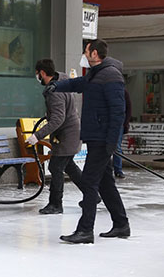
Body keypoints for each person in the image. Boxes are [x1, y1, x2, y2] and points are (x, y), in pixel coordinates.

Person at [45, 38, 130, 244]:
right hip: (95, 136)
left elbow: (118, 111)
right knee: (105, 182)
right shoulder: (95, 74)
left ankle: (85, 230)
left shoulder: (111, 75)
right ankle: (121, 224)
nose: (84, 55)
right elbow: (76, 83)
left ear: (94, 54)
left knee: (90, 182)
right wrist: (56, 86)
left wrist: (112, 142)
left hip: (102, 139)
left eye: (86, 51)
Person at [27, 59, 83, 215]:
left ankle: (55, 204)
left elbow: (58, 118)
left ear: (43, 73)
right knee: (69, 166)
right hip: (71, 131)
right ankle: (92, 195)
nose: (37, 77)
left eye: (38, 74)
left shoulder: (54, 92)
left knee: (55, 167)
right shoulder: (63, 79)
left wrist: (37, 136)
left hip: (67, 134)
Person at [113, 89, 131, 179]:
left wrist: (126, 123)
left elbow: (128, 108)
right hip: (109, 122)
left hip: (119, 123)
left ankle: (118, 170)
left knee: (117, 147)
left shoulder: (123, 92)